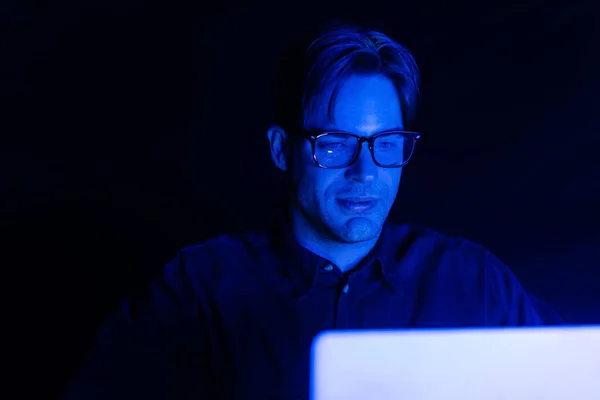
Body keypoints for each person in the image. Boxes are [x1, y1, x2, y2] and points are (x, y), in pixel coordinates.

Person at [62, 22, 559, 400]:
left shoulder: (473, 281)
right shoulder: (198, 292)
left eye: (386, 143)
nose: (365, 172)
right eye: (335, 143)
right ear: (282, 150)